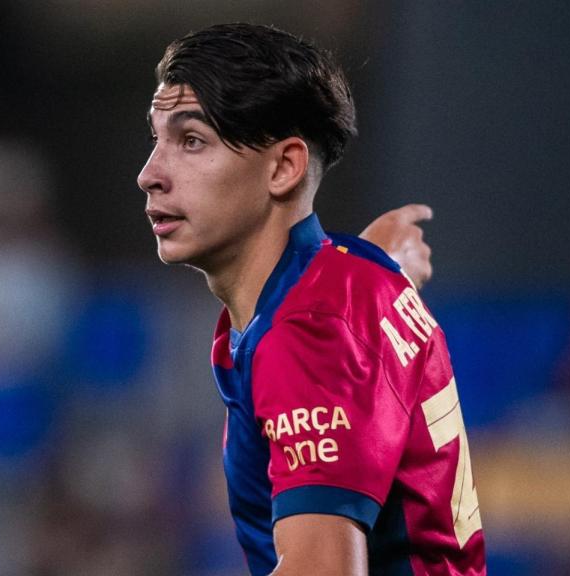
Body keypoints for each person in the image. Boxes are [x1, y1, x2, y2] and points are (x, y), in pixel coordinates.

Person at [136, 23, 485, 575]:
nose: (149, 175)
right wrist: (391, 270)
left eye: (192, 140)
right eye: (156, 139)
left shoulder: (310, 330)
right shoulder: (344, 282)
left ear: (284, 167)